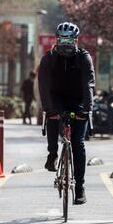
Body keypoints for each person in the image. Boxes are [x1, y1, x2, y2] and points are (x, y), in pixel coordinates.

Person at [38, 22, 95, 205]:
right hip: (57, 98)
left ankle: (80, 188)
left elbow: (89, 84)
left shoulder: (84, 58)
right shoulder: (49, 59)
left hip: (78, 100)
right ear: (57, 40)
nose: (66, 44)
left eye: (69, 40)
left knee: (78, 143)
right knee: (53, 117)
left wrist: (87, 108)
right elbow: (43, 85)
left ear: (76, 41)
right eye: (62, 40)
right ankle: (53, 154)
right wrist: (48, 108)